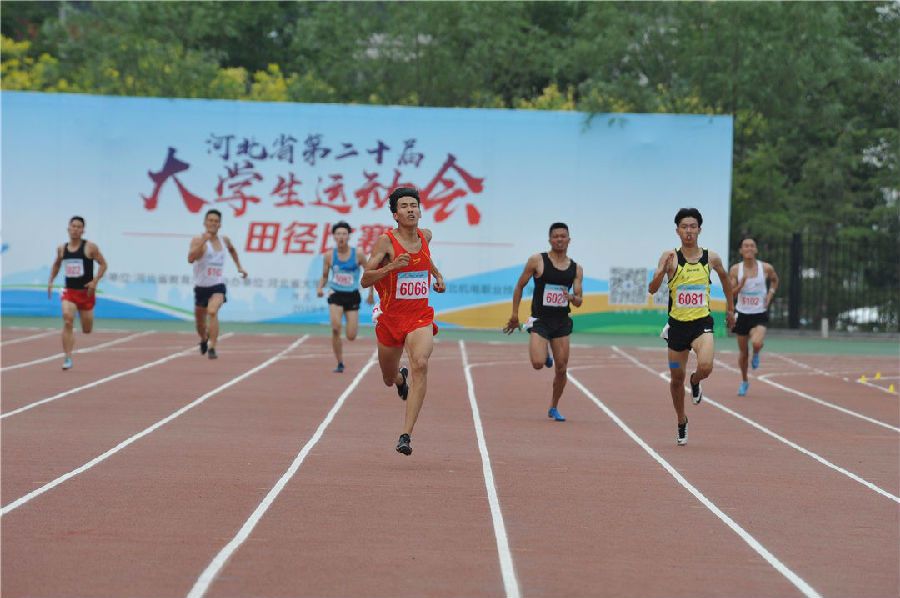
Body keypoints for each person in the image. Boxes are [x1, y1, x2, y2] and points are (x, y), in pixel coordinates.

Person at [361, 187, 445, 456]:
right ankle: (399, 381)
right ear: (395, 214)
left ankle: (406, 434)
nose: (411, 209)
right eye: (405, 206)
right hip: (390, 318)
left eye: (414, 205)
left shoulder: (426, 236)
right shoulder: (386, 243)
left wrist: (438, 276)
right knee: (387, 376)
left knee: (420, 362)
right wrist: (390, 268)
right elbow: (365, 279)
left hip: (419, 316)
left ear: (419, 210)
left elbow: (426, 261)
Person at [648, 208, 734, 446]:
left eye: (693, 226)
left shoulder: (711, 258)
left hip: (701, 325)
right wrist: (661, 271)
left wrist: (730, 309)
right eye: (684, 227)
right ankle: (681, 419)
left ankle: (695, 381)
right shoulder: (670, 257)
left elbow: (726, 281)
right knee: (676, 378)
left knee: (706, 366)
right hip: (677, 329)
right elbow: (652, 289)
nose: (689, 231)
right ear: (677, 231)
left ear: (699, 229)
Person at [503, 223, 584, 422]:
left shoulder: (576, 269)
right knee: (538, 363)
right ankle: (544, 352)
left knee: (562, 368)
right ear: (550, 240)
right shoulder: (537, 261)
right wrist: (515, 315)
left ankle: (554, 407)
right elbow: (520, 286)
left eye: (563, 236)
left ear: (569, 240)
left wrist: (571, 297)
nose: (559, 239)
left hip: (562, 322)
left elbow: (579, 300)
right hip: (540, 320)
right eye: (555, 236)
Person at [47, 216, 108, 370]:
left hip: (86, 294)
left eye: (78, 227)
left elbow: (103, 264)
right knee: (67, 319)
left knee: (87, 330)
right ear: (68, 229)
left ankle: (83, 325)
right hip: (69, 292)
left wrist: (95, 281)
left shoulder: (90, 247)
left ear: (83, 230)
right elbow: (56, 264)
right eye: (73, 226)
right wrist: (51, 281)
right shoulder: (62, 249)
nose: (75, 229)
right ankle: (67, 357)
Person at [187, 209, 248, 359]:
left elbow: (232, 250)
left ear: (220, 224)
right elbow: (190, 258)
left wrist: (239, 267)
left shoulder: (224, 240)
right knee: (200, 325)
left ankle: (212, 346)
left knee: (213, 311)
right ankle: (203, 339)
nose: (213, 223)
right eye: (210, 220)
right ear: (205, 223)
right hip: (201, 287)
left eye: (216, 221)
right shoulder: (197, 239)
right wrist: (203, 240)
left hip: (217, 286)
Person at [316, 221, 375, 373]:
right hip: (335, 294)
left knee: (351, 335)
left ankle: (348, 336)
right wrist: (320, 288)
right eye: (338, 234)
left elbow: (369, 273)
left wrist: (370, 294)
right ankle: (340, 362)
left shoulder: (358, 254)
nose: (341, 236)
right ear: (334, 237)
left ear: (348, 236)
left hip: (352, 295)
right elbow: (324, 276)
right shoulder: (329, 256)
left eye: (344, 234)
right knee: (335, 328)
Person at [729, 237, 779, 396]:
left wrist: (770, 295)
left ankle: (757, 352)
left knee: (757, 342)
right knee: (743, 354)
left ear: (756, 250)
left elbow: (775, 281)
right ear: (741, 250)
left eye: (752, 246)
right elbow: (730, 293)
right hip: (742, 314)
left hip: (759, 313)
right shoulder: (736, 270)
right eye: (745, 246)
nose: (749, 248)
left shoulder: (766, 268)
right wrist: (740, 286)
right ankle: (744, 381)